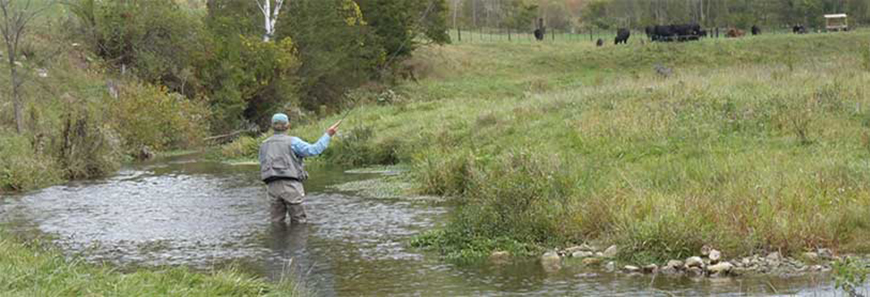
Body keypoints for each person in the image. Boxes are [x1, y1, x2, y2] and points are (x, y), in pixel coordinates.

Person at [259, 113, 341, 224]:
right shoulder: (293, 142)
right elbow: (313, 150)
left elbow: (263, 163)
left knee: (276, 222)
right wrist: (328, 135)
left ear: (272, 126)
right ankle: (298, 241)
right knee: (299, 222)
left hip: (272, 187)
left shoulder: (264, 144)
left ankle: (277, 241)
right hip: (291, 186)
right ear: (288, 126)